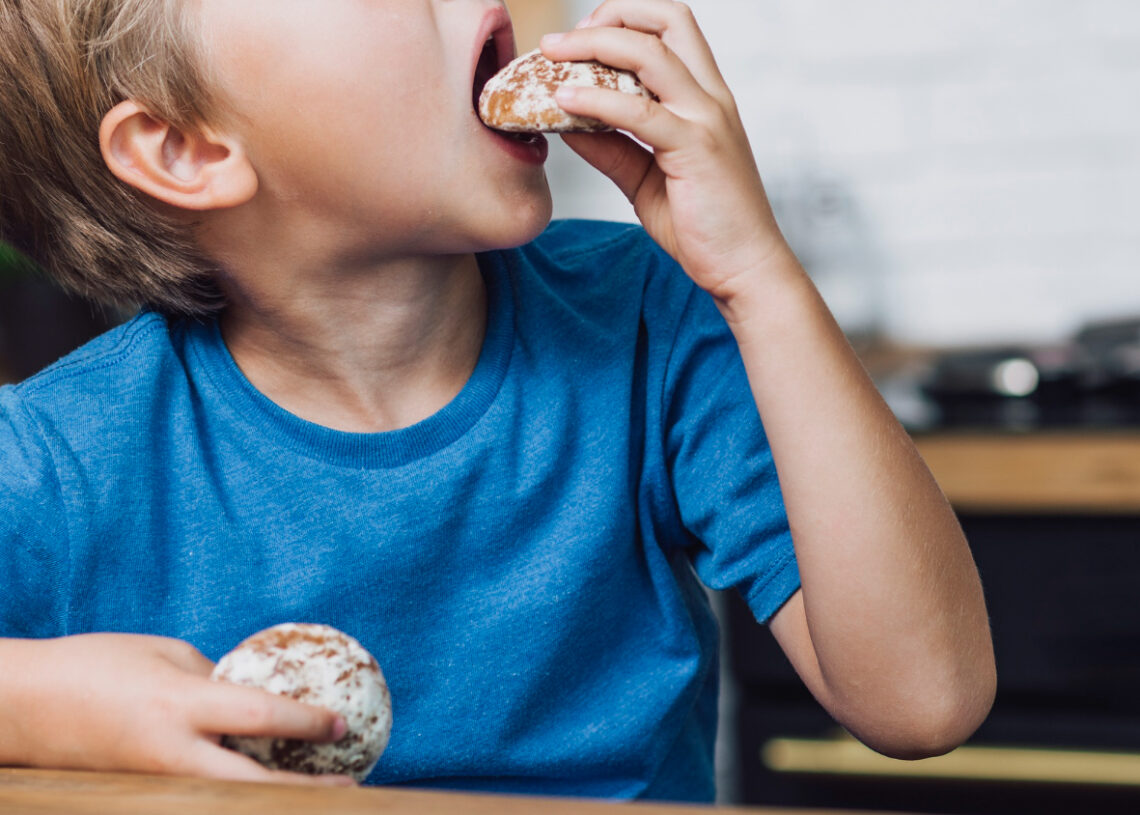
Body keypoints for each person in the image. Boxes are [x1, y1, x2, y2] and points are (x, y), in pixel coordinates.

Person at [0, 0, 996, 802]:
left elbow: (924, 701)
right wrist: (39, 700)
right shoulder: (57, 459)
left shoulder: (652, 317)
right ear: (186, 148)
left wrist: (757, 275)